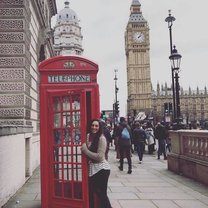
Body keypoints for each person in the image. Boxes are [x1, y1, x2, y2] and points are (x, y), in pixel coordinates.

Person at [81, 119, 112, 208]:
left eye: (96, 126)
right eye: (92, 125)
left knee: (102, 194)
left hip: (102, 169)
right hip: (93, 168)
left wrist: (85, 150)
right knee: (95, 192)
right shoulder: (88, 136)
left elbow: (100, 157)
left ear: (99, 127)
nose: (94, 127)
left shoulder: (102, 139)